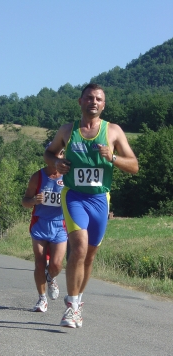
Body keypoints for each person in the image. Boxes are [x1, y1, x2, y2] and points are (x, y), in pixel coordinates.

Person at [44, 83, 139, 328]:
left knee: (89, 256)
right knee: (79, 248)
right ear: (81, 101)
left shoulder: (113, 131)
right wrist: (57, 163)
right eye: (89, 98)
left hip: (100, 199)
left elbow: (134, 166)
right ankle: (72, 307)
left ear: (103, 104)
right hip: (74, 195)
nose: (93, 102)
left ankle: (78, 300)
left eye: (98, 99)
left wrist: (113, 157)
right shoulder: (68, 130)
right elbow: (49, 153)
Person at [22, 147, 67, 312]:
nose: (58, 158)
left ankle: (51, 277)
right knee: (39, 263)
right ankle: (42, 299)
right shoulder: (37, 176)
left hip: (60, 224)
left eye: (61, 154)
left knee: (56, 264)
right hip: (40, 223)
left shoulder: (68, 177)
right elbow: (25, 201)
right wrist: (33, 200)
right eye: (54, 155)